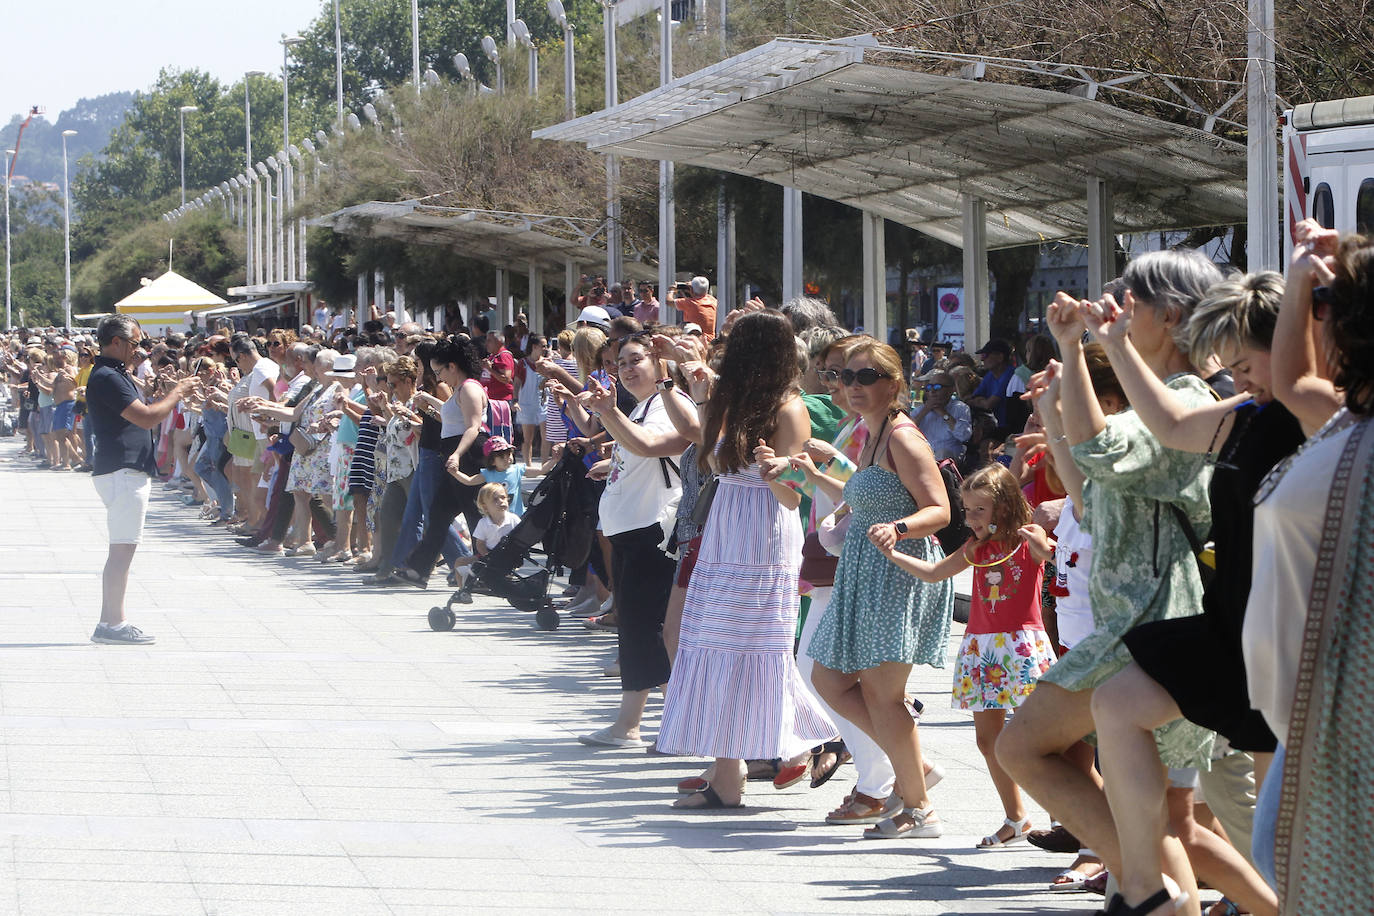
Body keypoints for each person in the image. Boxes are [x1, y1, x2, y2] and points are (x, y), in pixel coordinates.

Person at [996, 249, 1223, 916]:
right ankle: (1148, 889)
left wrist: (1081, 347)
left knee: (1022, 746)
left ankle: (1142, 884)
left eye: (1128, 301)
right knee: (1157, 814)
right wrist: (1073, 354)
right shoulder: (1169, 398)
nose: (1112, 309)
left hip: (1149, 620)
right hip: (1134, 619)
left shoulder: (1186, 399)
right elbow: (1089, 486)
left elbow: (1101, 450)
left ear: (1172, 316)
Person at [658, 312, 835, 806]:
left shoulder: (789, 409)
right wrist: (692, 392)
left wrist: (774, 470)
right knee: (714, 646)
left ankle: (808, 739)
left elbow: (793, 497)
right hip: (726, 530)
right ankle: (726, 775)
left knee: (752, 650)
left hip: (763, 534)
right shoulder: (734, 401)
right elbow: (706, 451)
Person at [1245, 220, 1361, 908]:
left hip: (1349, 706)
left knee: (1289, 861)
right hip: (1310, 709)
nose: (1317, 321)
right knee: (1278, 856)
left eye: (1328, 306)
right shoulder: (1341, 417)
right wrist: (1299, 278)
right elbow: (1290, 376)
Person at [801, 339, 955, 838]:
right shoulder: (869, 433)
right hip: (864, 571)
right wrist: (811, 479)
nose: (853, 386)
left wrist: (901, 529)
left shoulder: (903, 437)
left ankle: (920, 808)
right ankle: (913, 767)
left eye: (866, 377)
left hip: (897, 571)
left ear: (894, 384)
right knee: (829, 679)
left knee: (883, 695)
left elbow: (940, 510)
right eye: (846, 377)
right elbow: (864, 498)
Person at [879, 463, 1055, 849]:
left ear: (1004, 507)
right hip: (982, 646)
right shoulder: (976, 548)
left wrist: (1040, 542)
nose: (970, 518)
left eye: (979, 510)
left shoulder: (1028, 538)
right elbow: (933, 573)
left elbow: (1046, 554)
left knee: (1043, 737)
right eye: (968, 509)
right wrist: (893, 555)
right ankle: (1016, 817)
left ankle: (1069, 816)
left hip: (1022, 645)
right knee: (987, 741)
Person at [86, 315, 199, 645]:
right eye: (135, 344)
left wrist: (159, 391)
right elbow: (147, 418)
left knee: (121, 550)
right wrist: (177, 392)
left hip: (122, 467)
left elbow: (142, 408)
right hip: (123, 469)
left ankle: (111, 620)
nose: (139, 352)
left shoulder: (114, 373)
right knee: (122, 552)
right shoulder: (107, 375)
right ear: (117, 342)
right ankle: (113, 623)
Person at [912, 369, 972, 462]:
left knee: (943, 454)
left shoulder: (960, 408)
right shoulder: (920, 410)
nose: (932, 391)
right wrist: (925, 410)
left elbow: (964, 436)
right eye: (929, 387)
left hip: (949, 461)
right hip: (924, 457)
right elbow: (907, 432)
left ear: (951, 390)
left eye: (937, 387)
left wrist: (943, 413)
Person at [967, 339, 1016, 426]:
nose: (982, 359)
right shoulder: (990, 375)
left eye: (985, 355)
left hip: (1009, 429)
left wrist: (980, 401)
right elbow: (970, 400)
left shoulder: (1011, 375)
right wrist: (982, 401)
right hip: (995, 426)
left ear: (1000, 357)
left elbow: (989, 404)